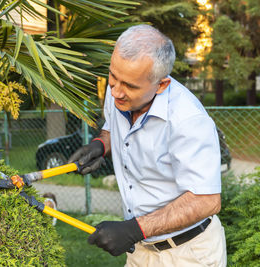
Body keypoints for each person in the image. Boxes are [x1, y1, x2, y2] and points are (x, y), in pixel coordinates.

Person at [68, 24, 227, 266]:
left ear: (161, 85)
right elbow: (112, 126)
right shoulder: (119, 95)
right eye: (113, 77)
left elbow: (206, 200)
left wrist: (133, 230)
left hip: (188, 254)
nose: (117, 92)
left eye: (130, 86)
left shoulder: (188, 120)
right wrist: (100, 144)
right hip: (140, 251)